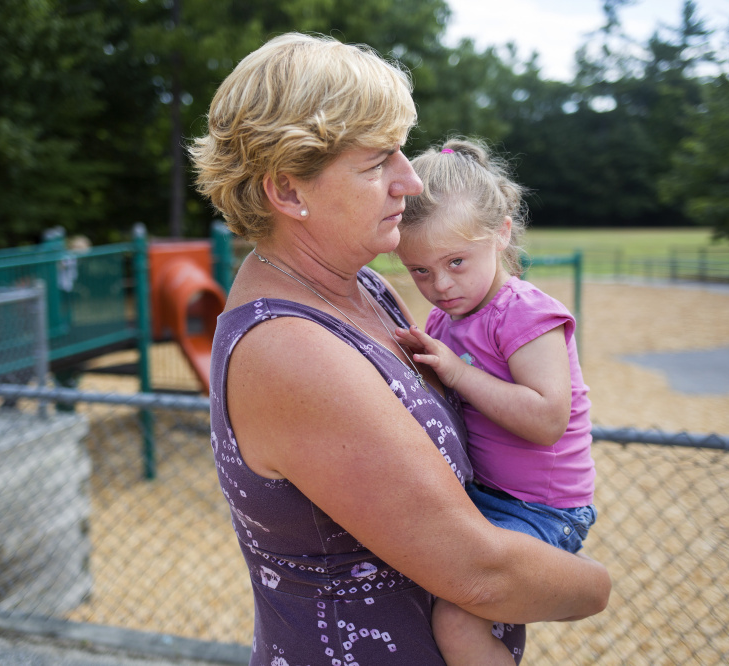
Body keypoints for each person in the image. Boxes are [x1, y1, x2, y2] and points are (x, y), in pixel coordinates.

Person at [190, 34, 610, 666]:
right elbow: (481, 574)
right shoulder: (289, 349)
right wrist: (596, 587)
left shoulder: (365, 288)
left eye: (402, 154)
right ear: (289, 192)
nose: (410, 182)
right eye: (377, 162)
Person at [393, 137, 598, 665]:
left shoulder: (525, 314)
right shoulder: (445, 319)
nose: (440, 284)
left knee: (458, 619)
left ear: (501, 235)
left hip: (542, 509)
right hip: (483, 495)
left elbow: (548, 419)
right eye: (420, 270)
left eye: (457, 261)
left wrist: (458, 373)